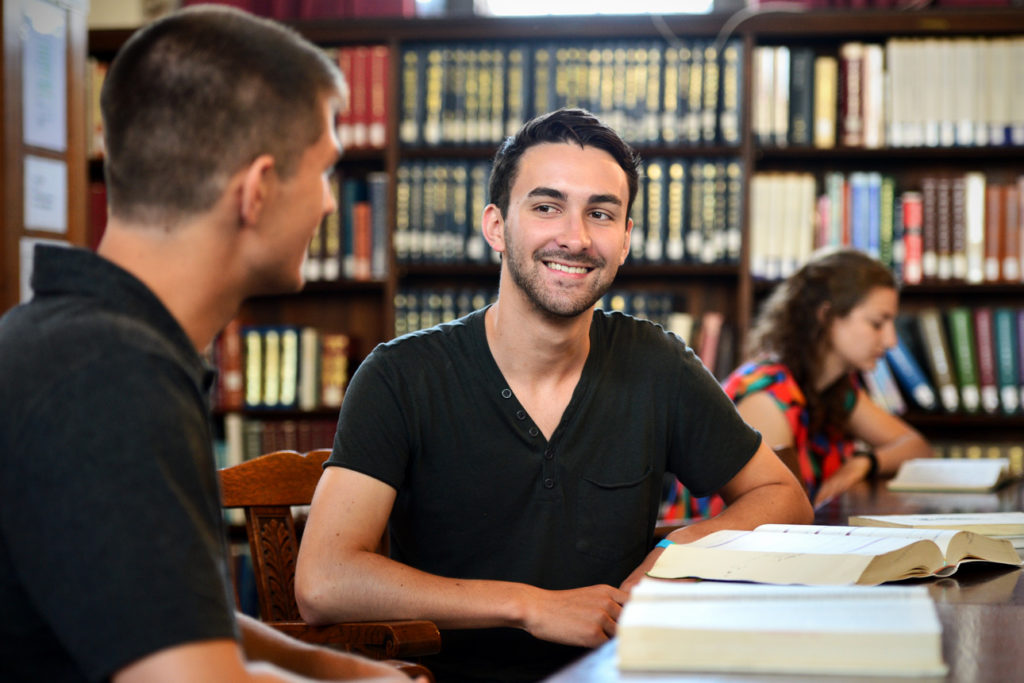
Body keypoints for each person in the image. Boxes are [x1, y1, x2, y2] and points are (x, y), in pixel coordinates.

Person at [294, 108, 813, 682]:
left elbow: (782, 496)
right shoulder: (401, 376)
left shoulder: (657, 364)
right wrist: (531, 606)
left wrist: (678, 551)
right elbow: (324, 581)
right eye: (546, 207)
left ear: (625, 241)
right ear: (496, 226)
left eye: (601, 213)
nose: (576, 237)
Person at [0, 6, 415, 682]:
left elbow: (176, 613)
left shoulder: (72, 339)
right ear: (255, 191)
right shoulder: (108, 378)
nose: (331, 204)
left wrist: (346, 671)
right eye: (322, 171)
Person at [721, 246, 933, 509]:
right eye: (877, 323)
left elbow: (918, 448)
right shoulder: (767, 396)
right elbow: (775, 518)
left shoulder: (836, 388)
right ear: (827, 316)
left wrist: (863, 463)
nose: (891, 341)